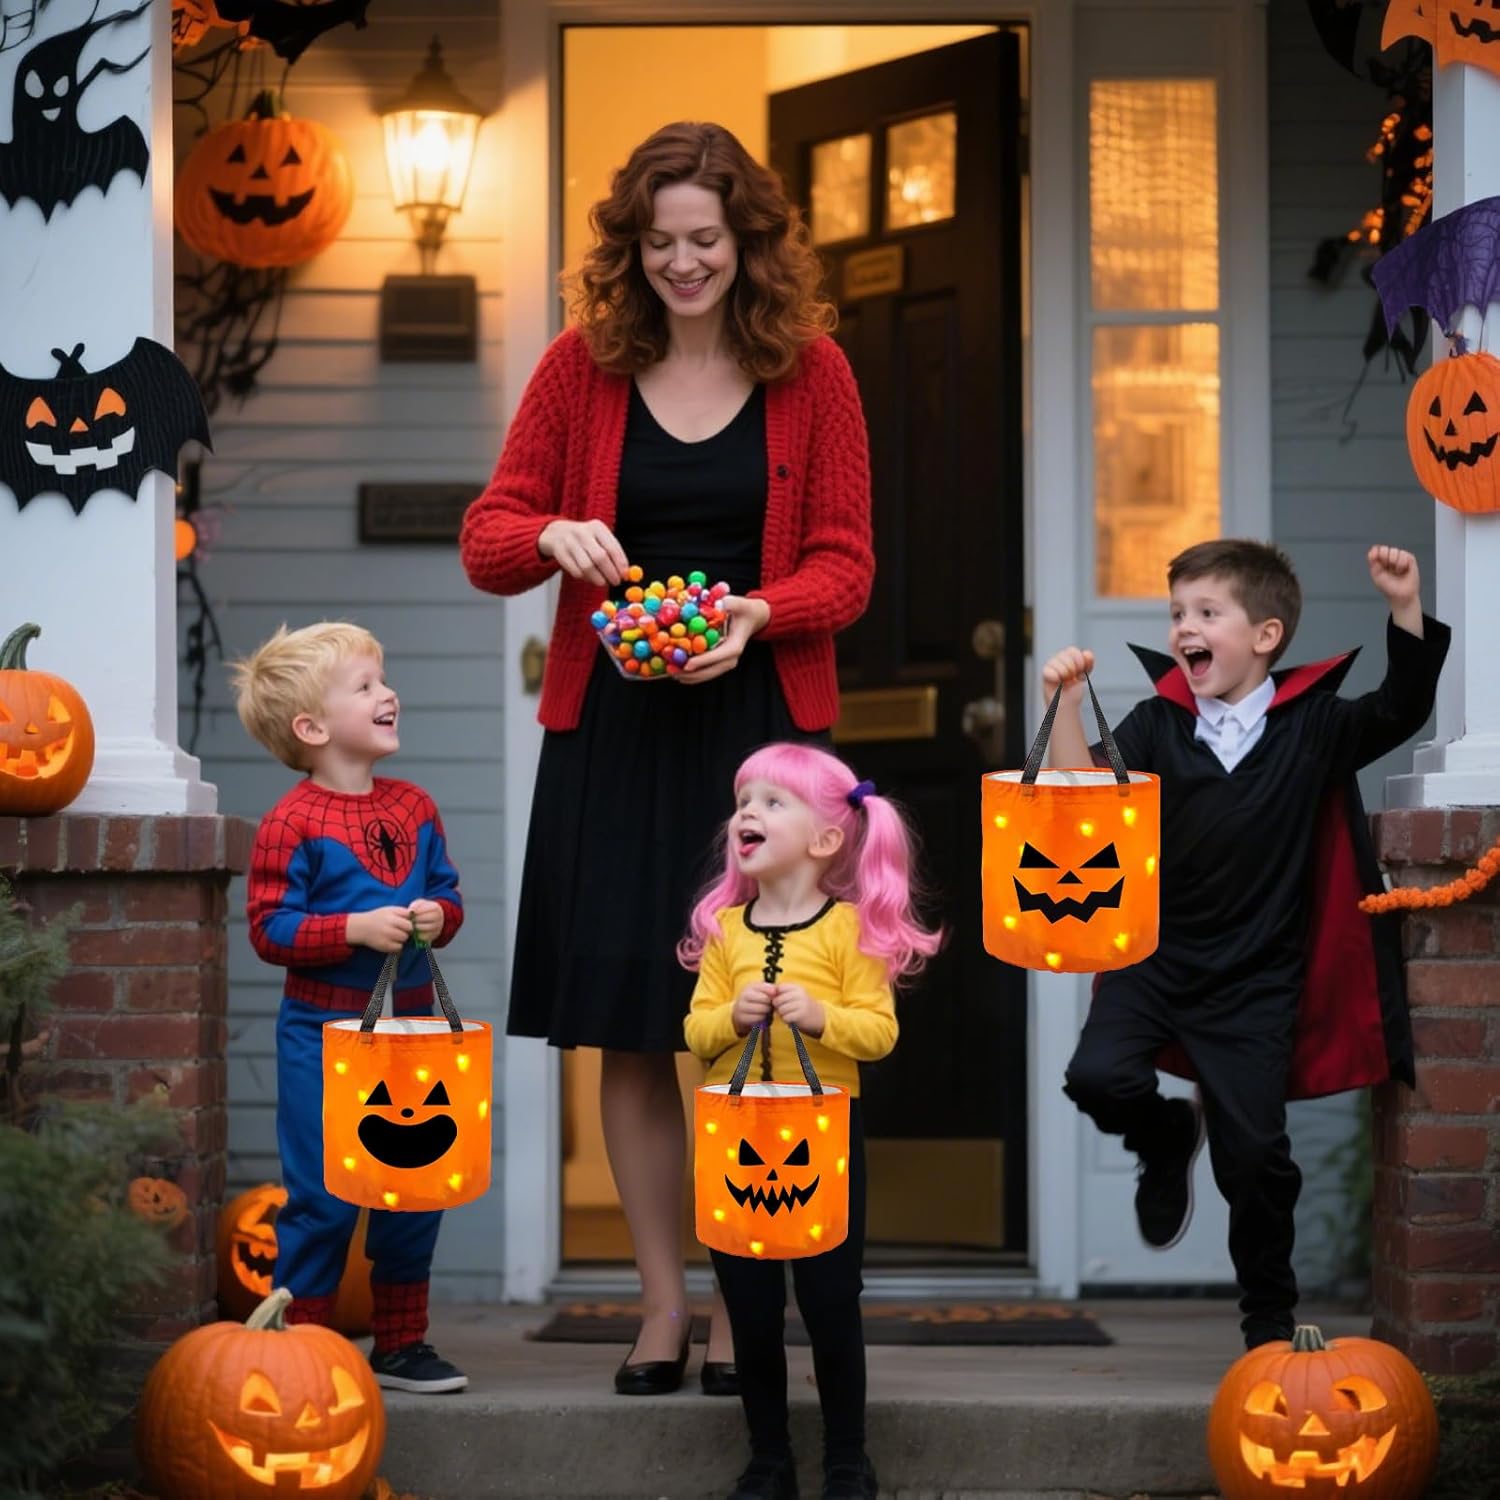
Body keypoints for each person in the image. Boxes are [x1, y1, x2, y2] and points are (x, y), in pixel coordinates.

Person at [459, 121, 874, 1396]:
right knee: (638, 1032)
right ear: (627, 251)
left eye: (707, 240)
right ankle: (659, 1306)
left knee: (761, 1027)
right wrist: (556, 534)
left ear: (751, 244)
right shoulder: (578, 371)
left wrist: (760, 612)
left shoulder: (816, 374)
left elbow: (849, 566)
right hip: (619, 739)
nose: (684, 264)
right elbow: (487, 539)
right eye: (660, 243)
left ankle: (758, 1301)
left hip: (761, 745)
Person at [1040, 541, 1449, 1350]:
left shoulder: (1316, 726)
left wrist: (1404, 606)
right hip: (1154, 961)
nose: (1184, 628)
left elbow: (1401, 708)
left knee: (1256, 1155)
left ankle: (1267, 1319)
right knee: (1096, 1074)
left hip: (1258, 981)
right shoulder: (1161, 722)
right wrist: (1064, 701)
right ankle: (1162, 1137)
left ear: (1265, 635)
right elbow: (1081, 802)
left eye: (1205, 612)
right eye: (1177, 614)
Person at [680, 743, 941, 1500]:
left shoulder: (850, 929)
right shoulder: (726, 930)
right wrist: (731, 1014)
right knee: (751, 1302)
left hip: (822, 1141)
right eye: (742, 800)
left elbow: (879, 1034)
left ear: (827, 838)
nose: (746, 814)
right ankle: (768, 1458)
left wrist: (821, 1017)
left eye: (770, 801)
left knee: (830, 1299)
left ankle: (846, 1458)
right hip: (737, 1139)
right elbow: (695, 1035)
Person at [232, 621, 469, 1393]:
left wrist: (439, 915)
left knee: (414, 1186)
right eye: (364, 686)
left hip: (414, 1033)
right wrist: (353, 929)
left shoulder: (417, 807)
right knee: (324, 1195)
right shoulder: (291, 823)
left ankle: (401, 1345)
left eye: (383, 678)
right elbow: (270, 930)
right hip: (321, 1032)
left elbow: (450, 895)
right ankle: (302, 1348)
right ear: (312, 726)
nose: (387, 693)